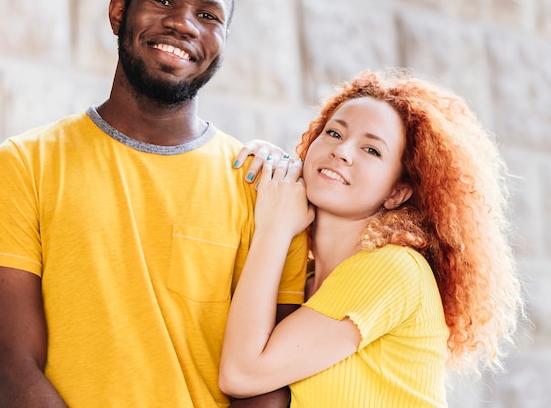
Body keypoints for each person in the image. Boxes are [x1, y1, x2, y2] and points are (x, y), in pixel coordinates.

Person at [0, 0, 307, 407]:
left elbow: (270, 381)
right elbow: (11, 370)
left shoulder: (266, 190)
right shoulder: (23, 165)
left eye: (209, 15)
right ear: (119, 13)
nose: (183, 23)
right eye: (163, 1)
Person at [219, 69, 524, 407]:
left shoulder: (392, 269)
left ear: (397, 192)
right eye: (334, 132)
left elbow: (241, 374)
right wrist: (275, 169)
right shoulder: (305, 278)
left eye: (372, 150)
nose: (343, 151)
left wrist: (273, 230)